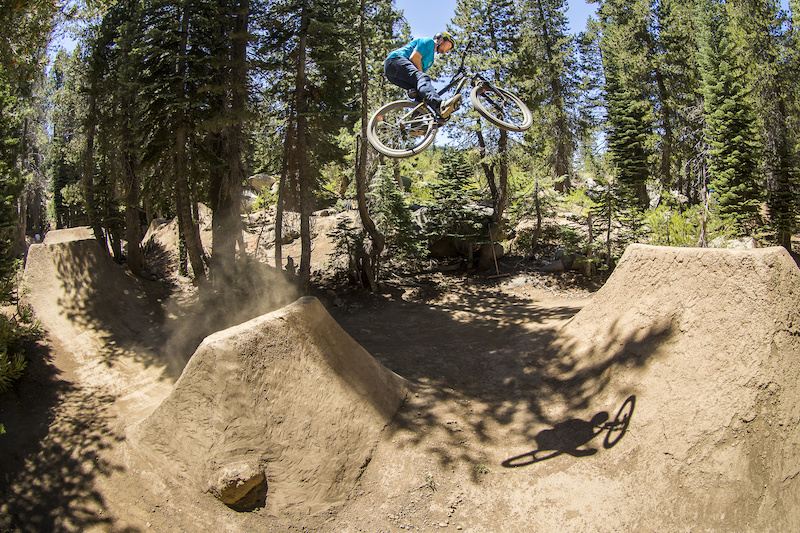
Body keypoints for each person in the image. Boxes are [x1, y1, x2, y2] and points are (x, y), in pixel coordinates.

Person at [384, 31, 461, 118]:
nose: (448, 50)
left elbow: (419, 77)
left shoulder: (430, 61)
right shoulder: (429, 42)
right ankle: (440, 105)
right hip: (395, 61)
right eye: (449, 46)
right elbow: (414, 57)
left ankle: (416, 126)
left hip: (393, 74)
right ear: (441, 40)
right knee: (422, 78)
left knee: (421, 94)